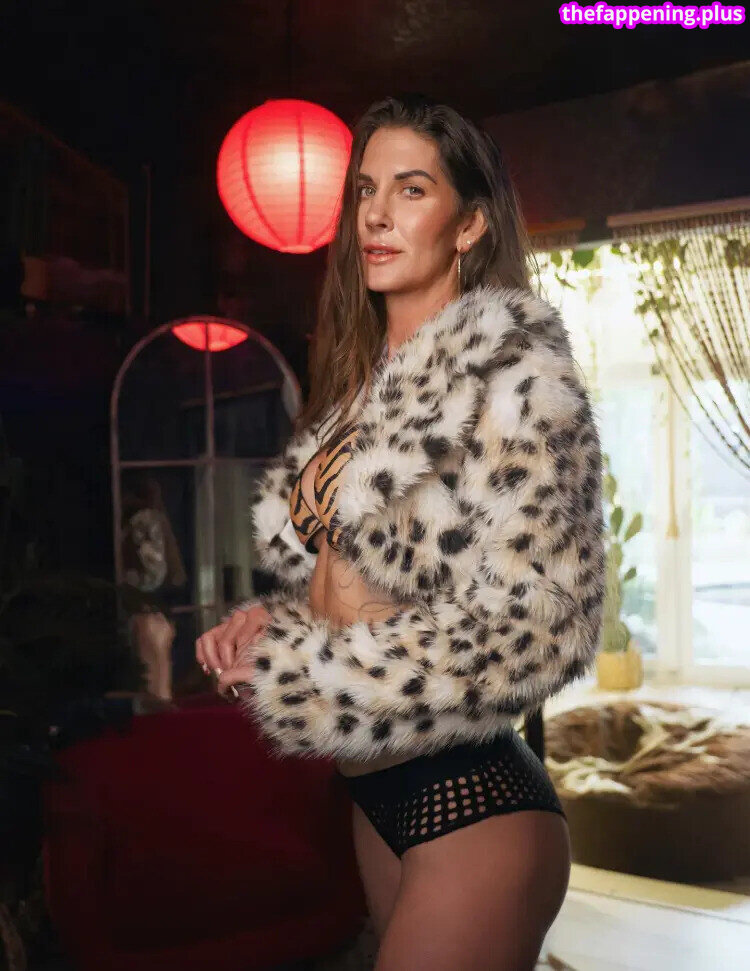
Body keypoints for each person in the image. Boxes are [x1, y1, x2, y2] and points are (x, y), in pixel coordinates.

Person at [196, 94, 606, 970]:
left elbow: (546, 624)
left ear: (469, 225)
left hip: (476, 801)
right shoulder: (361, 387)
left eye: (412, 190)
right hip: (374, 798)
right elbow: (365, 587)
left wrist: (310, 676)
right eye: (366, 189)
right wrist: (273, 625)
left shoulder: (516, 380)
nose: (376, 215)